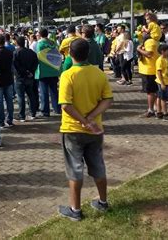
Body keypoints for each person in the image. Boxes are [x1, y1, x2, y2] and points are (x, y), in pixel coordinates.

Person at [57, 38, 113, 221]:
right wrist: (90, 119)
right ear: (87, 53)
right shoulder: (98, 73)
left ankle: (75, 210)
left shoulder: (68, 75)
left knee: (74, 169)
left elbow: (66, 105)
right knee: (98, 165)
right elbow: (107, 99)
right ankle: (103, 202)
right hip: (95, 130)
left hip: (73, 130)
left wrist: (83, 120)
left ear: (70, 54)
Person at [0, 35, 15, 127]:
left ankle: (1, 121)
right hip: (8, 79)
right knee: (9, 101)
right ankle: (10, 120)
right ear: (4, 41)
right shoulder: (10, 52)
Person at [36, 28, 62, 117]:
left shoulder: (39, 44)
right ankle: (57, 109)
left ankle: (45, 111)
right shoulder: (53, 43)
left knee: (43, 92)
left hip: (43, 71)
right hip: (53, 69)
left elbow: (38, 56)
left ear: (40, 34)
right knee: (54, 91)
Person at [13, 36, 39, 122]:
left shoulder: (16, 53)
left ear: (17, 43)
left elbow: (16, 66)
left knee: (21, 97)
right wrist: (31, 72)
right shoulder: (31, 52)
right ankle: (33, 113)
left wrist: (25, 72)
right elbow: (36, 62)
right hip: (30, 77)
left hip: (20, 77)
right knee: (31, 95)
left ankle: (22, 116)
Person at [137, 34, 160, 117]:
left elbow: (149, 54)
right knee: (153, 91)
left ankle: (151, 110)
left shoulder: (150, 42)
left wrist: (139, 49)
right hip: (148, 70)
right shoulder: (150, 42)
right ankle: (156, 108)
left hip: (149, 71)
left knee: (150, 92)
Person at [155, 44, 168, 121]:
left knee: (160, 97)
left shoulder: (166, 58)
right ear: (162, 52)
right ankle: (165, 113)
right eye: (167, 51)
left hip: (167, 81)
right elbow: (159, 72)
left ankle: (159, 112)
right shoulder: (160, 60)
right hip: (163, 82)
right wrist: (162, 83)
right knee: (163, 98)